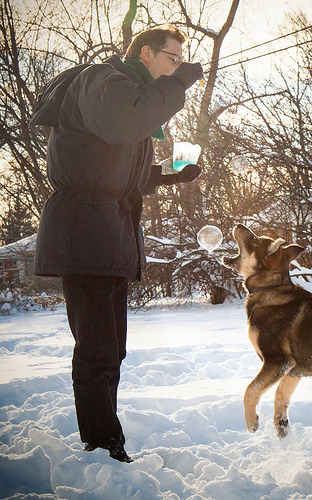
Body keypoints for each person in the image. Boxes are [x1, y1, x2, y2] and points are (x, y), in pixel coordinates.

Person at [32, 26, 204, 462]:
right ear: (145, 53)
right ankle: (103, 444)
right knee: (97, 351)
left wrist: (168, 175)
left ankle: (104, 439)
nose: (178, 68)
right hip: (83, 230)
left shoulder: (128, 100)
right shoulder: (101, 81)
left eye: (181, 63)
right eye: (173, 59)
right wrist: (179, 83)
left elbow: (126, 173)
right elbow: (127, 121)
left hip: (110, 234)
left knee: (113, 349)